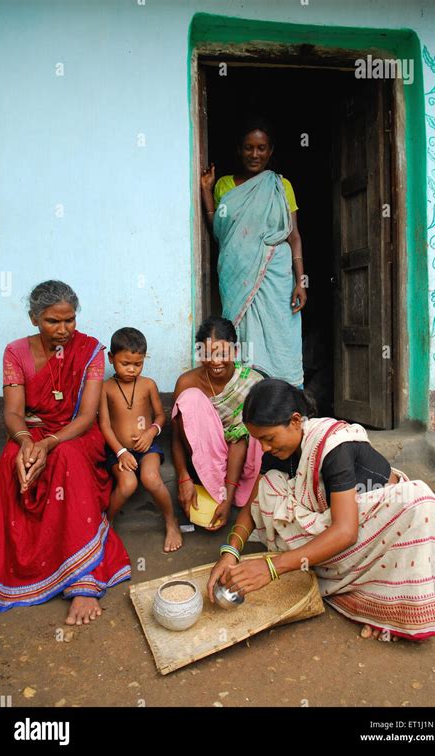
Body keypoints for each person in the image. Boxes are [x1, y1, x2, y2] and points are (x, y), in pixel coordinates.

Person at [207, 379, 435, 641]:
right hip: (337, 527)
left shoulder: (334, 446)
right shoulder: (276, 451)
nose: (264, 448)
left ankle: (388, 601)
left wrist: (271, 568)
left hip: (379, 529)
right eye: (258, 440)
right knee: (269, 488)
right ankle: (341, 577)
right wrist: (230, 552)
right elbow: (251, 507)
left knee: (421, 503)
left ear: (296, 421)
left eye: (268, 438)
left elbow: (346, 532)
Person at [0, 280, 131, 624]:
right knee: (10, 460)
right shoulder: (16, 352)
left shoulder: (91, 350)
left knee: (65, 458)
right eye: (53, 321)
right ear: (34, 319)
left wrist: (48, 444)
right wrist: (26, 443)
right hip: (31, 430)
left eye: (69, 320)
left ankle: (82, 580)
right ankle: (11, 569)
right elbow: (12, 413)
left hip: (75, 433)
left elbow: (85, 417)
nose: (64, 329)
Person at [201, 117, 306, 387]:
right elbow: (220, 233)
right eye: (249, 148)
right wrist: (206, 192)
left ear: (270, 151)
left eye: (261, 148)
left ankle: (284, 399)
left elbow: (293, 235)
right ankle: (246, 399)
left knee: (281, 336)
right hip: (238, 275)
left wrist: (300, 281)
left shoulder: (281, 186)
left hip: (277, 277)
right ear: (240, 150)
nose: (255, 154)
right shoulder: (224, 185)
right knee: (242, 336)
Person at [171, 316, 264, 530]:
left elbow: (241, 439)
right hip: (205, 463)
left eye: (223, 353)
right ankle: (212, 484)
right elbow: (176, 438)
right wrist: (183, 477)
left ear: (235, 351)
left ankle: (236, 495)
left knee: (261, 415)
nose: (215, 361)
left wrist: (227, 498)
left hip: (244, 462)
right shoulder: (187, 382)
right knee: (190, 398)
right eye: (208, 354)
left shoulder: (252, 382)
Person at [98, 327, 182, 553]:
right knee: (127, 484)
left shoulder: (148, 385)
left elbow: (160, 415)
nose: (132, 369)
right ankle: (107, 523)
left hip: (148, 447)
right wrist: (120, 452)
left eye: (138, 364)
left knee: (151, 477)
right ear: (111, 358)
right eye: (125, 363)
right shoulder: (105, 388)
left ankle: (171, 521)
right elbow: (104, 425)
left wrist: (151, 432)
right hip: (117, 450)